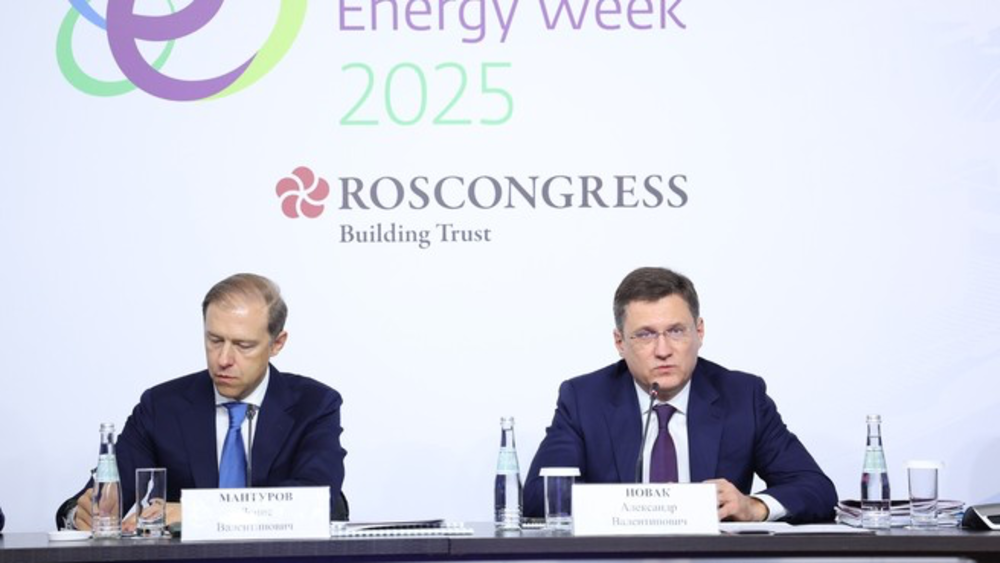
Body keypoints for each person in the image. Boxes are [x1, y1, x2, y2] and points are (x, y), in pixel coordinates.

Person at [524, 267, 837, 524]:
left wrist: (753, 506)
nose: (663, 350)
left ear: (699, 332)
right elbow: (539, 497)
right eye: (645, 335)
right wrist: (626, 506)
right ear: (620, 342)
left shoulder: (742, 396)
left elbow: (816, 489)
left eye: (676, 331)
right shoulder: (584, 399)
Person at [57, 273, 347, 530]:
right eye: (214, 340)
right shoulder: (162, 407)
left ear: (277, 343)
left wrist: (198, 513)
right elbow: (102, 496)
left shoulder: (314, 405)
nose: (224, 359)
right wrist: (79, 515)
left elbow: (314, 502)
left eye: (243, 345)